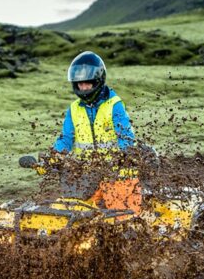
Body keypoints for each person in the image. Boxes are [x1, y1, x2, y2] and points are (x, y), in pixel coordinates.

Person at [53, 51, 141, 213]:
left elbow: (125, 137)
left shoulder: (114, 104)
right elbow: (65, 139)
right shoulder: (73, 109)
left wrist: (125, 157)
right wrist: (53, 157)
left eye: (87, 83)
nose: (83, 87)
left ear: (97, 81)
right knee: (71, 214)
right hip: (88, 174)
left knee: (123, 217)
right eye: (79, 84)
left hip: (118, 172)